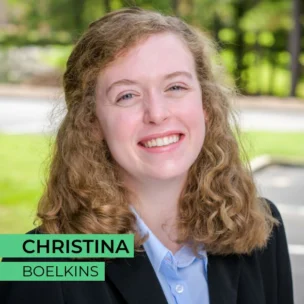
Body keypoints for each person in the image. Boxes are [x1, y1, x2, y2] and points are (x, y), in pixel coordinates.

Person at [0, 7, 293, 304]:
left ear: (205, 105)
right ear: (91, 122)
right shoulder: (39, 263)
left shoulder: (260, 226)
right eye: (127, 95)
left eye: (175, 87)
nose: (157, 113)